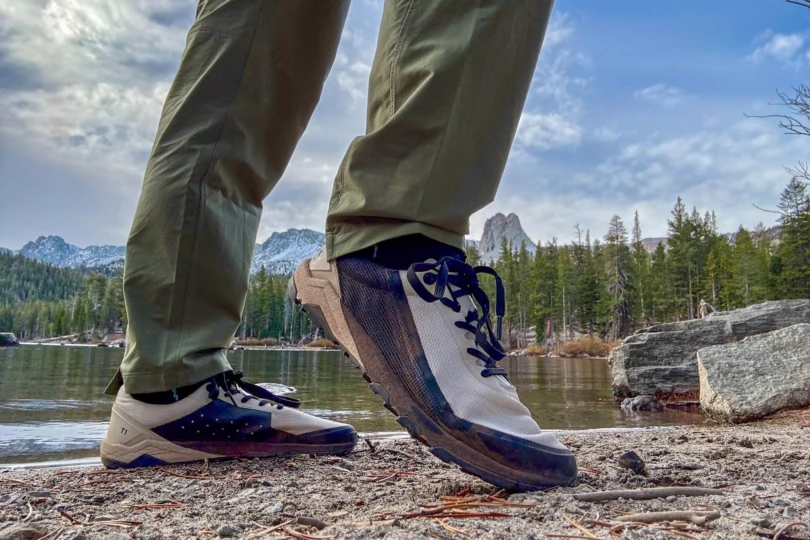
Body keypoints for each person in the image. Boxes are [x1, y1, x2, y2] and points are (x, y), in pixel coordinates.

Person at [100, 0, 577, 490]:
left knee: (251, 30)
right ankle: (394, 255)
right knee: (253, 33)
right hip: (389, 254)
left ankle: (170, 385)